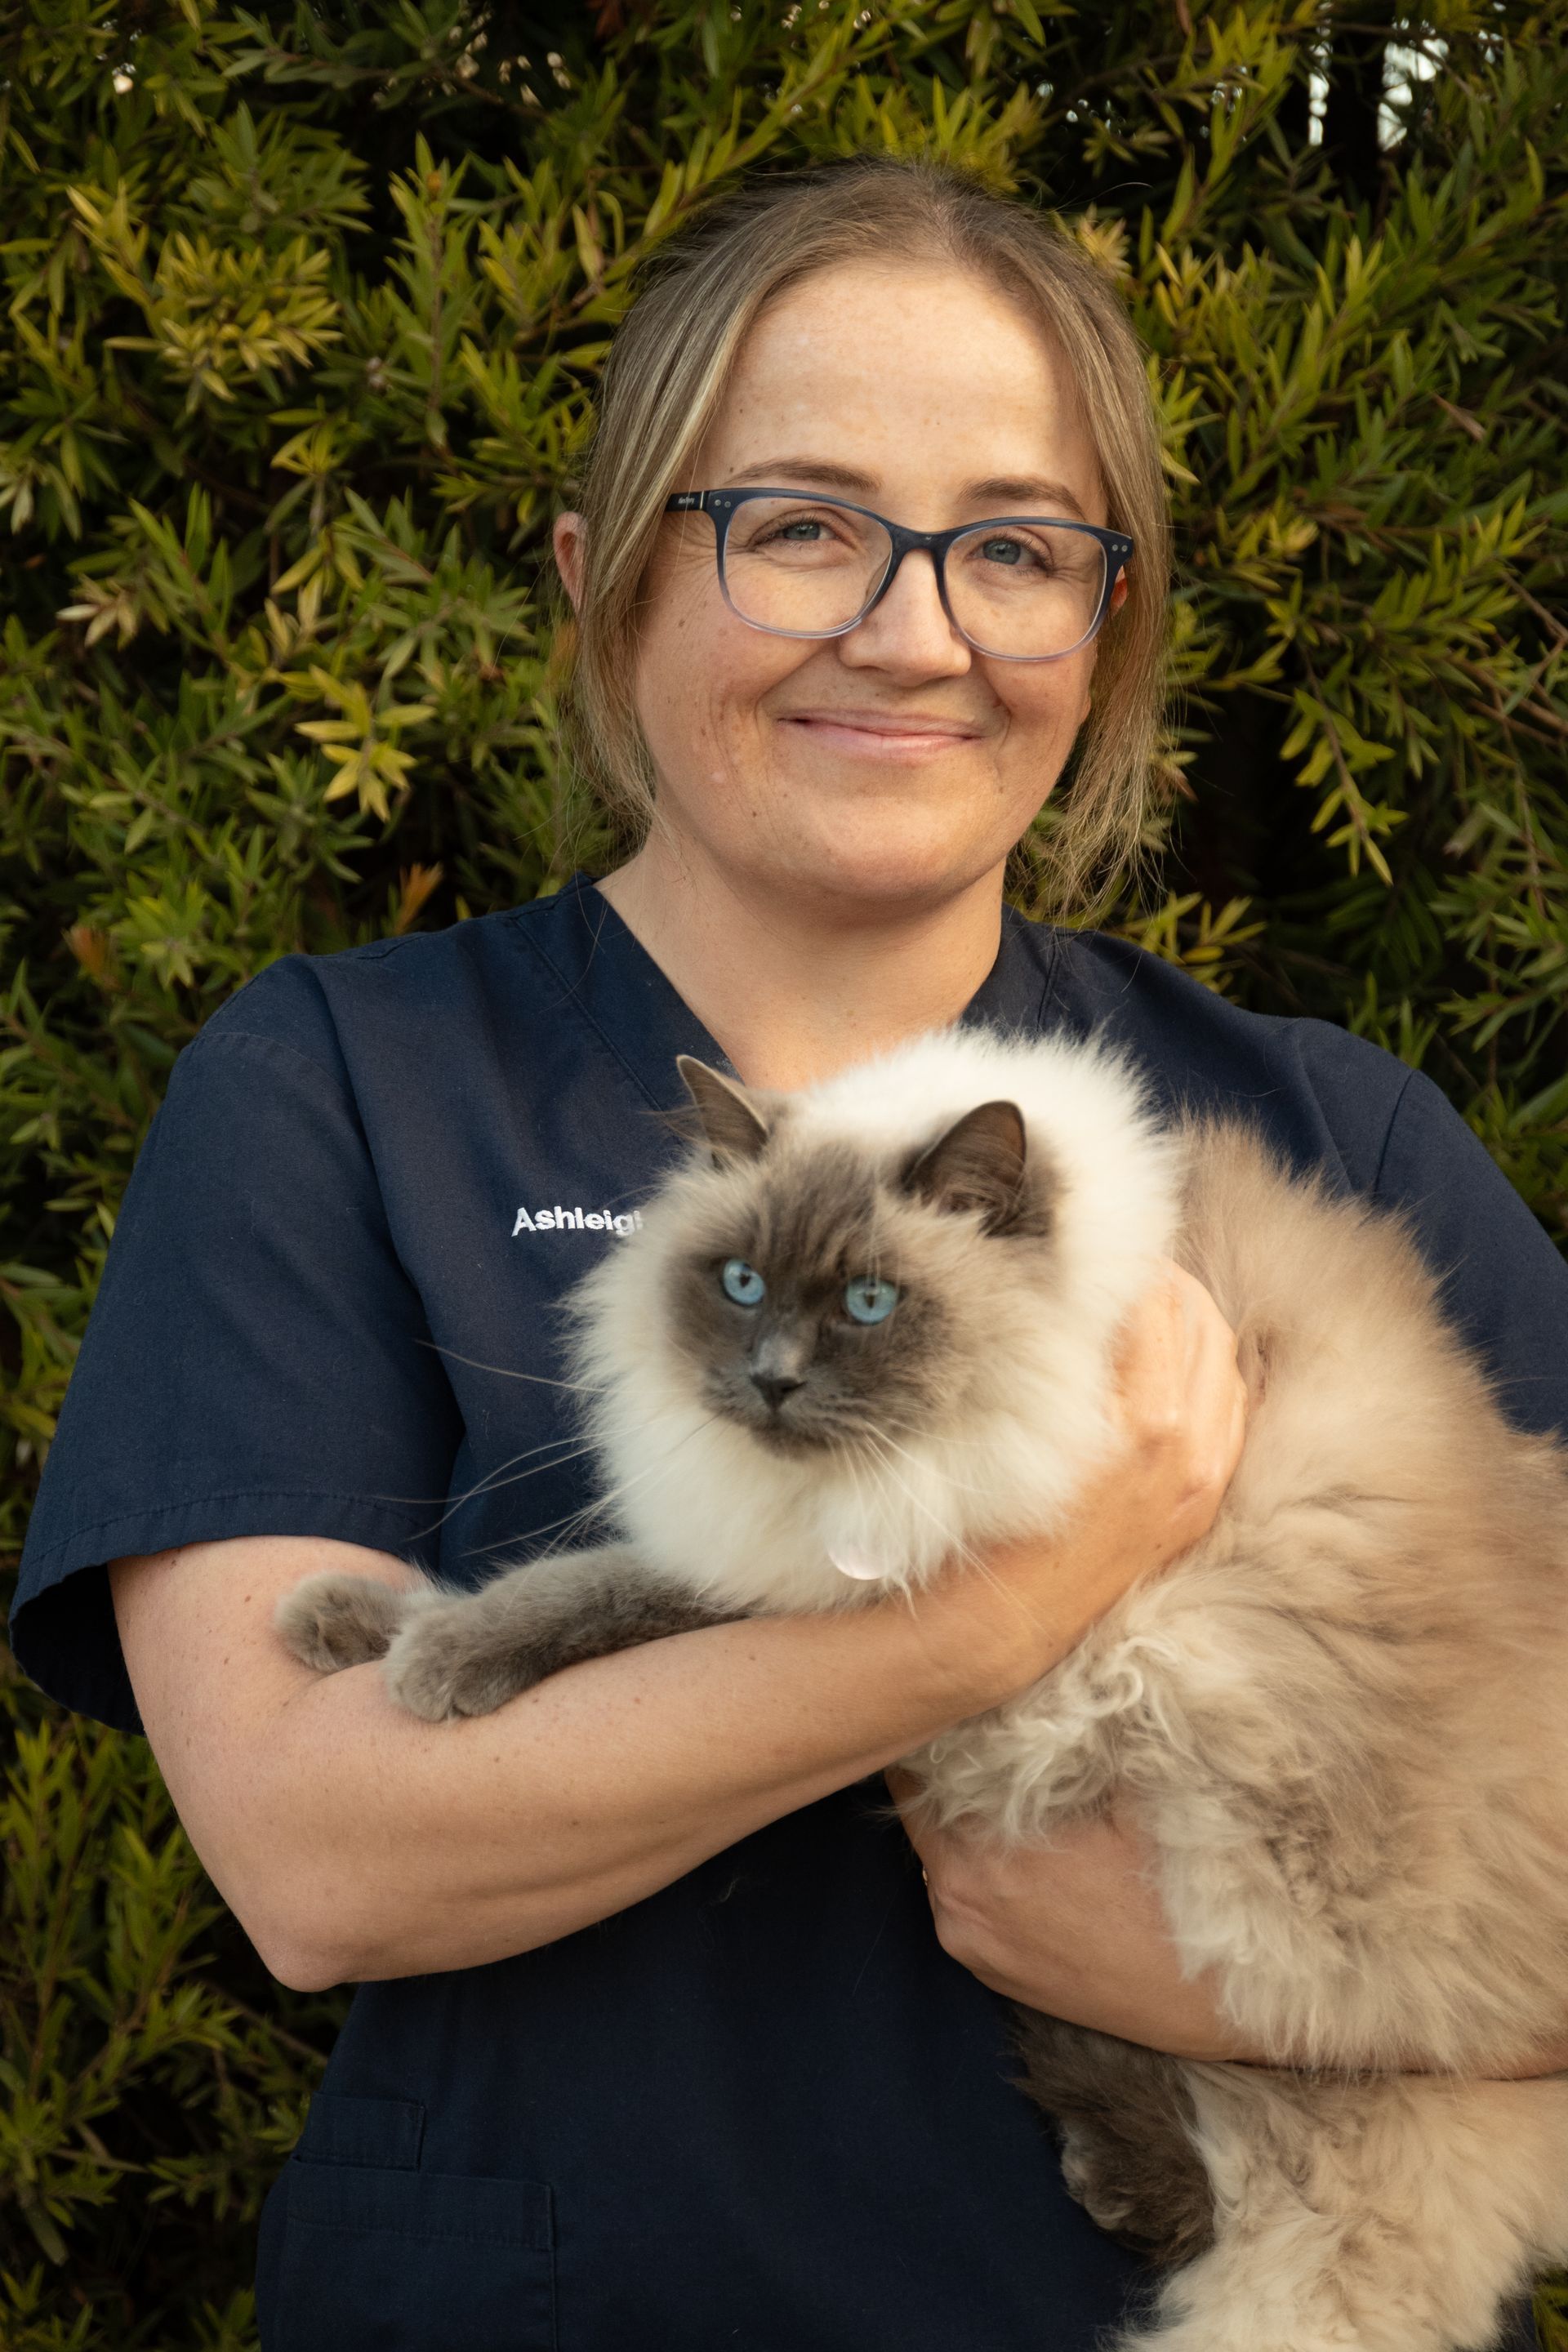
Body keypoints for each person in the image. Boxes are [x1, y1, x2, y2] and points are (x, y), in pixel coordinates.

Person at [11, 158, 1563, 2352]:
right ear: (603, 579)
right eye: (804, 524)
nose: (913, 630)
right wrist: (1016, 1594)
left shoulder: (1322, 1137)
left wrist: (1274, 1991)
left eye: (1013, 547)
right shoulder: (339, 1087)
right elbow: (323, 1855)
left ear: (1105, 625)